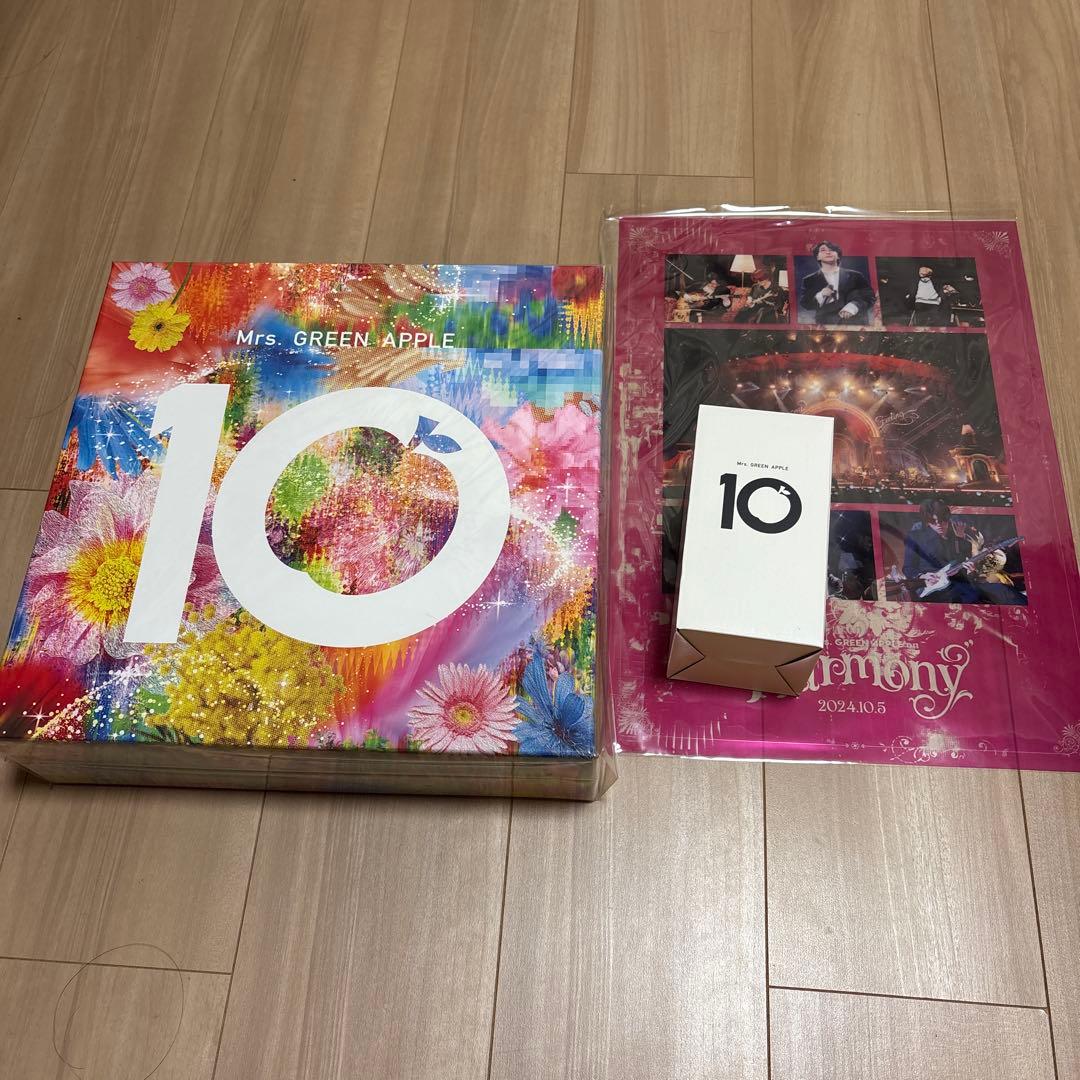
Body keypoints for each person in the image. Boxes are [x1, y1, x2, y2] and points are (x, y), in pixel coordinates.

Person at [902, 499, 982, 603]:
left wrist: (971, 571)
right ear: (927, 521)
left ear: (947, 518)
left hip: (956, 590)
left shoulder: (960, 541)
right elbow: (908, 568)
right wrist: (922, 576)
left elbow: (963, 570)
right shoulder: (916, 537)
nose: (938, 524)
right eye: (933, 521)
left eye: (941, 520)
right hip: (930, 590)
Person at [799, 241, 875, 325]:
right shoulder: (809, 280)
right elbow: (806, 304)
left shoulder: (856, 275)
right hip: (826, 326)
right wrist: (821, 295)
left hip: (856, 324)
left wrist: (853, 306)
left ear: (838, 256)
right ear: (817, 257)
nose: (828, 252)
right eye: (823, 250)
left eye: (832, 249)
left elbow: (869, 297)